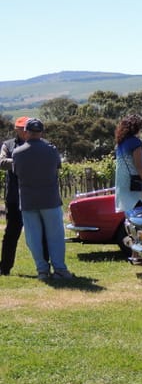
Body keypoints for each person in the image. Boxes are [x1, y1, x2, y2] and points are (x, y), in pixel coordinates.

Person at [12, 118, 72, 280]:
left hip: (28, 200)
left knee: (33, 238)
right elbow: (57, 168)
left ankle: (42, 270)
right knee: (56, 237)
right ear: (41, 132)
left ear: (26, 132)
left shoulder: (17, 153)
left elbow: (17, 172)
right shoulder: (51, 150)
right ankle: (59, 269)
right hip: (50, 199)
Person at [0, 117, 30, 274]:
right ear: (16, 129)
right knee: (11, 235)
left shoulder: (37, 143)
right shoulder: (8, 144)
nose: (24, 131)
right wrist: (22, 161)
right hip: (13, 198)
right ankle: (4, 268)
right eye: (21, 128)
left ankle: (45, 267)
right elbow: (2, 162)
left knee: (40, 235)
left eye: (25, 128)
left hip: (33, 197)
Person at [114, 114, 142, 213]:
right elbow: (138, 166)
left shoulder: (119, 144)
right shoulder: (135, 142)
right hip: (135, 186)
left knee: (130, 217)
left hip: (122, 185)